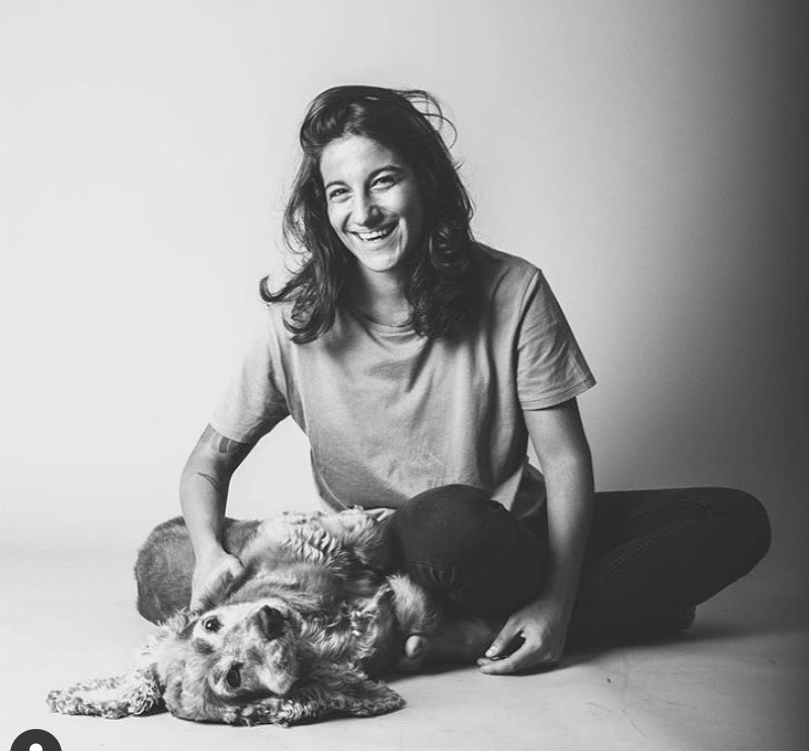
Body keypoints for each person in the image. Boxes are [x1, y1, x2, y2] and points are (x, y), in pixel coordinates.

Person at [157, 85, 770, 675]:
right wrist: (209, 553)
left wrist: (558, 603)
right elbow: (207, 462)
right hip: (382, 561)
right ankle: (567, 616)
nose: (363, 213)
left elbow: (563, 460)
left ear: (425, 181)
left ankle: (476, 632)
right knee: (175, 554)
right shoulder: (297, 322)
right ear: (323, 206)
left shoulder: (514, 290)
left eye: (384, 181)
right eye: (340, 192)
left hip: (504, 541)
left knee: (734, 519)